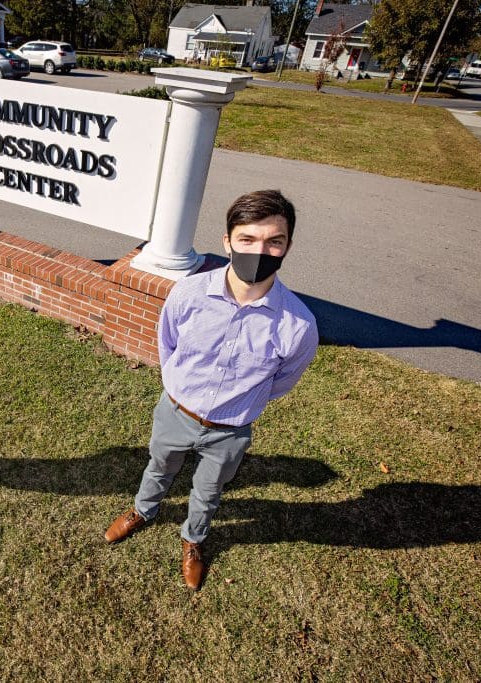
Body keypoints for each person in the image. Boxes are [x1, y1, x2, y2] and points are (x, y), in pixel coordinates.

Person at [104, 189, 318, 590]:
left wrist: (239, 404)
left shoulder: (299, 326)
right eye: (248, 239)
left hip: (230, 432)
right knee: (158, 467)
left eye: (275, 241)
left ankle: (193, 539)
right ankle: (143, 511)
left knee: (208, 492)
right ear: (228, 242)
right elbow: (167, 345)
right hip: (175, 413)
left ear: (288, 245)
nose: (261, 250)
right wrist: (181, 390)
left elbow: (283, 381)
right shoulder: (187, 293)